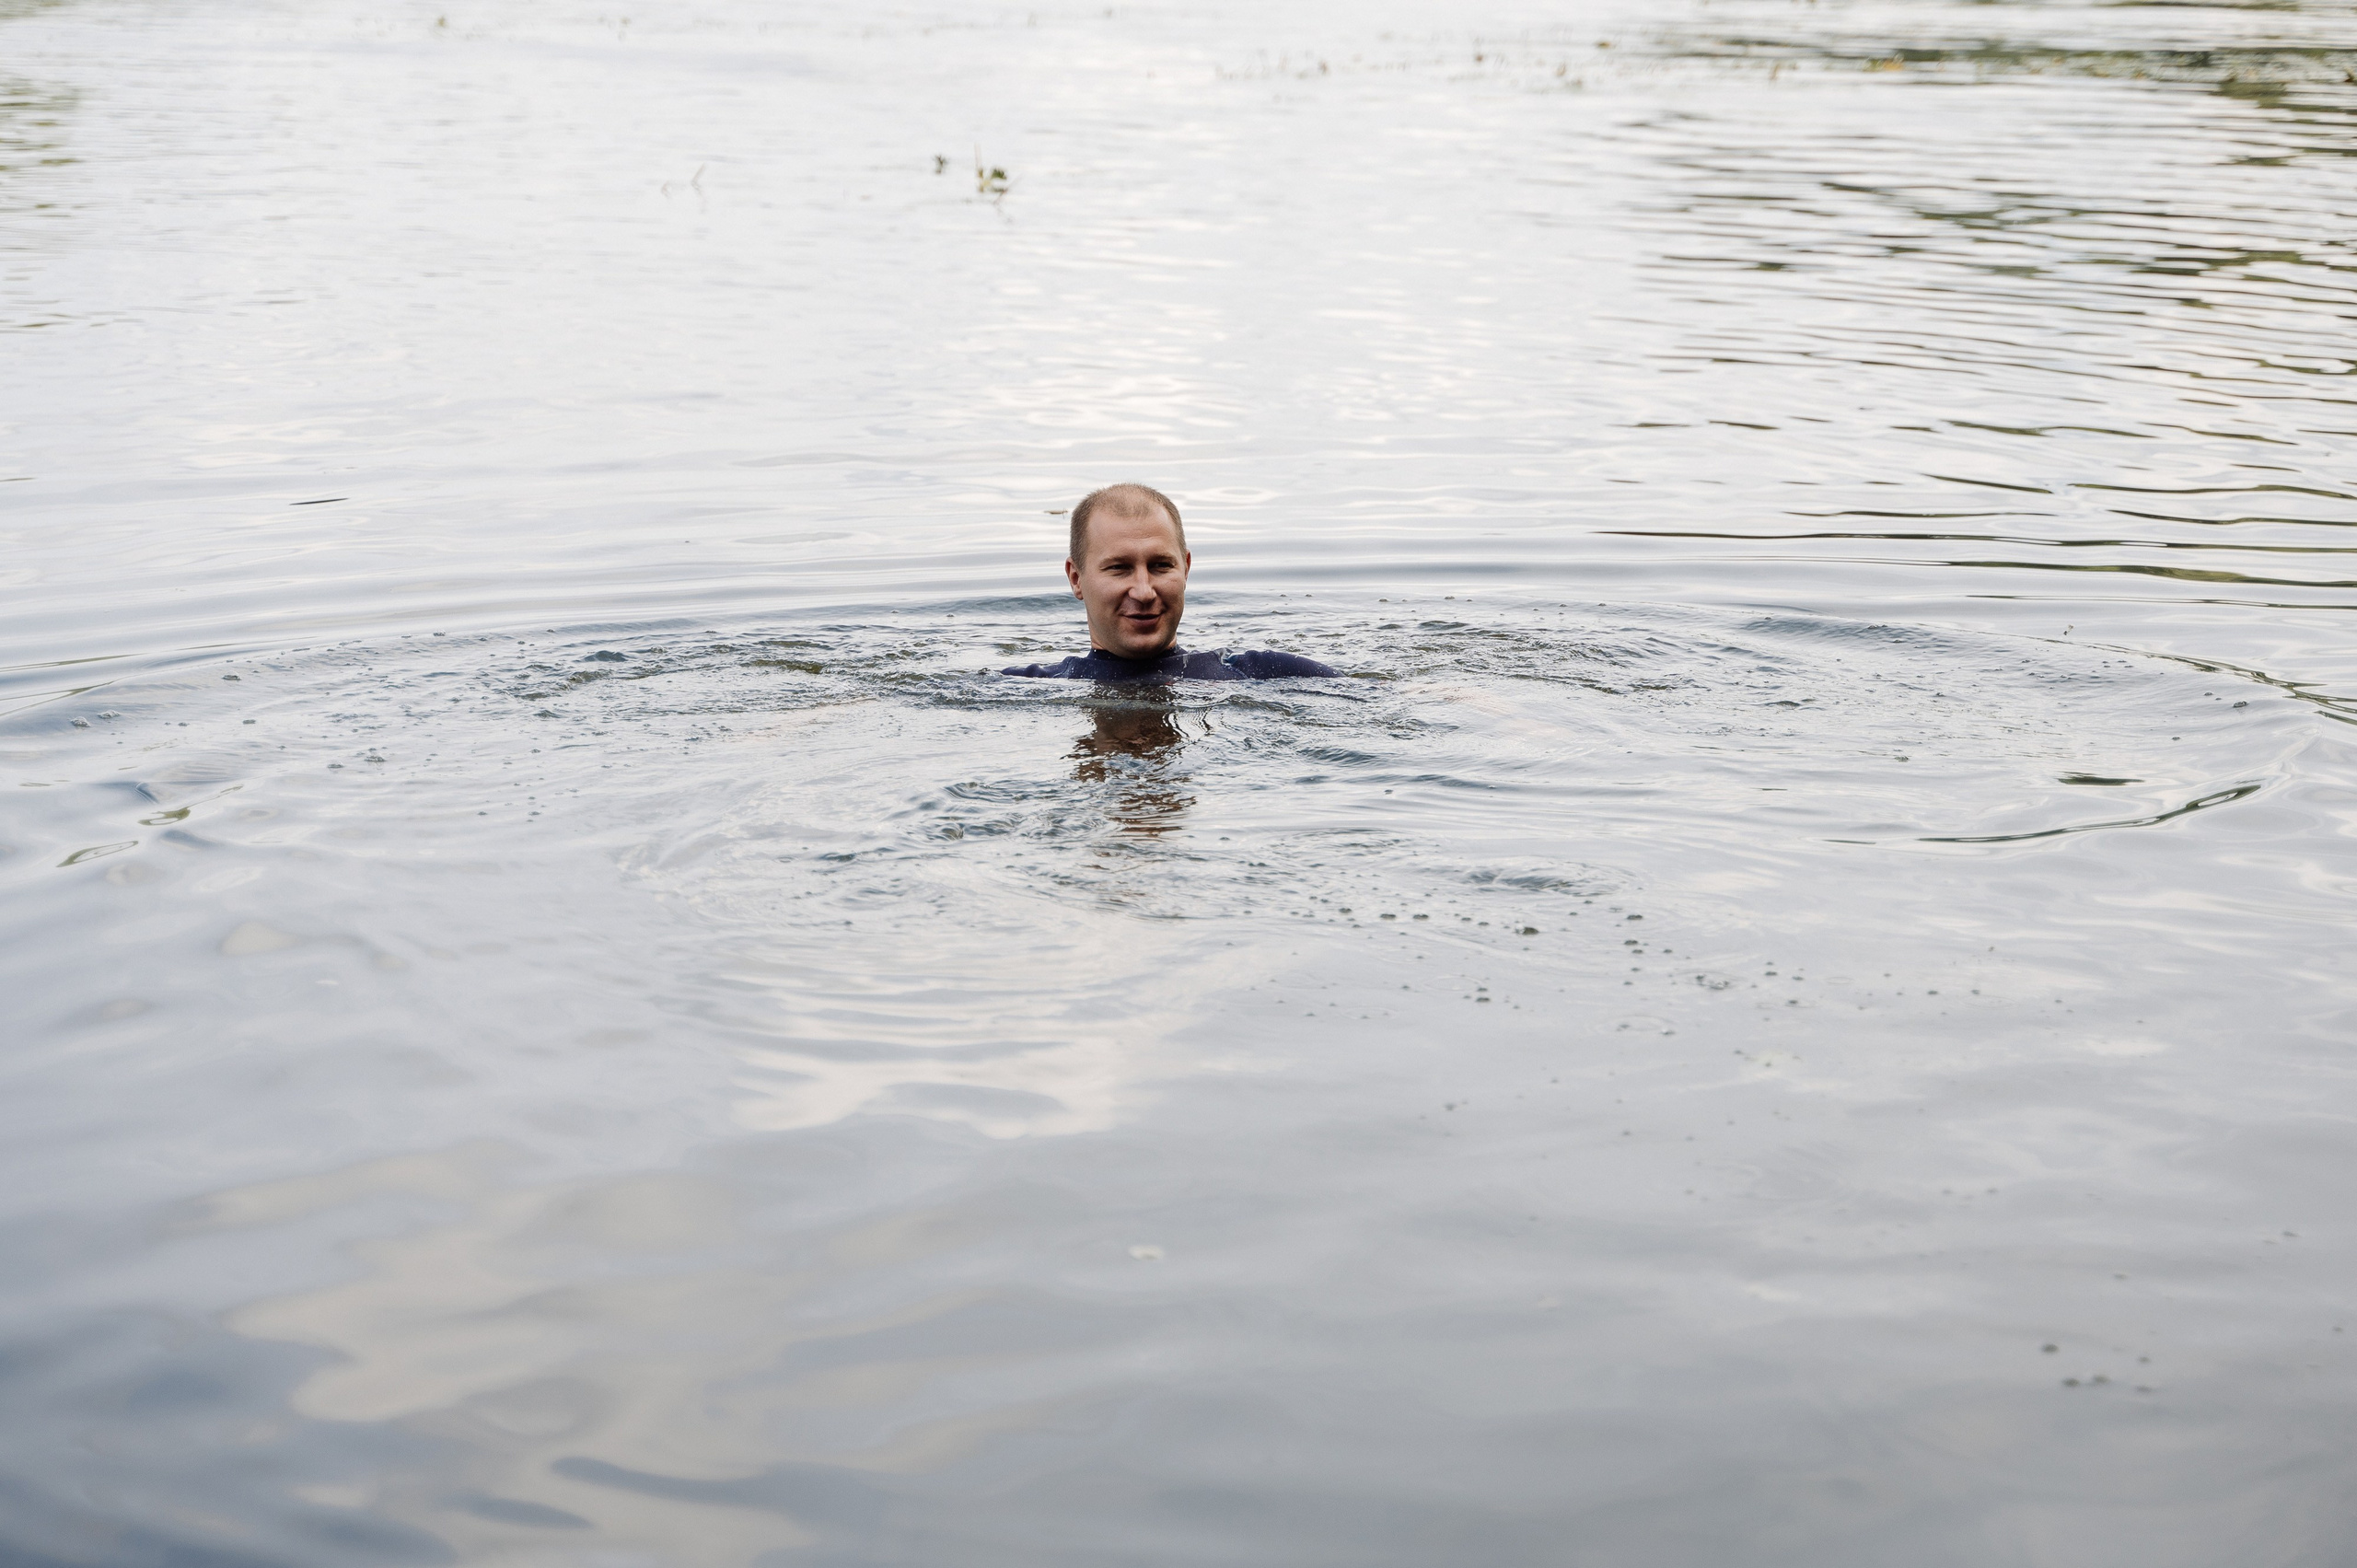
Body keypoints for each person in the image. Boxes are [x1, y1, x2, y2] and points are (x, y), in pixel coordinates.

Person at [1001, 483, 1337, 681]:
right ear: (1076, 579)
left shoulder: (1265, 674)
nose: (1144, 591)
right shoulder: (1024, 688)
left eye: (1161, 566)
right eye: (1119, 568)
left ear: (1185, 569)